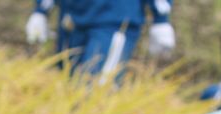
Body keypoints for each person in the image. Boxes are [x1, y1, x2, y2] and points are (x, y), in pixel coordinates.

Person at [25, 0, 175, 84]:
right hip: (72, 19)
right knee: (67, 84)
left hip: (114, 19)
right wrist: (41, 11)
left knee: (97, 84)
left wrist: (161, 18)